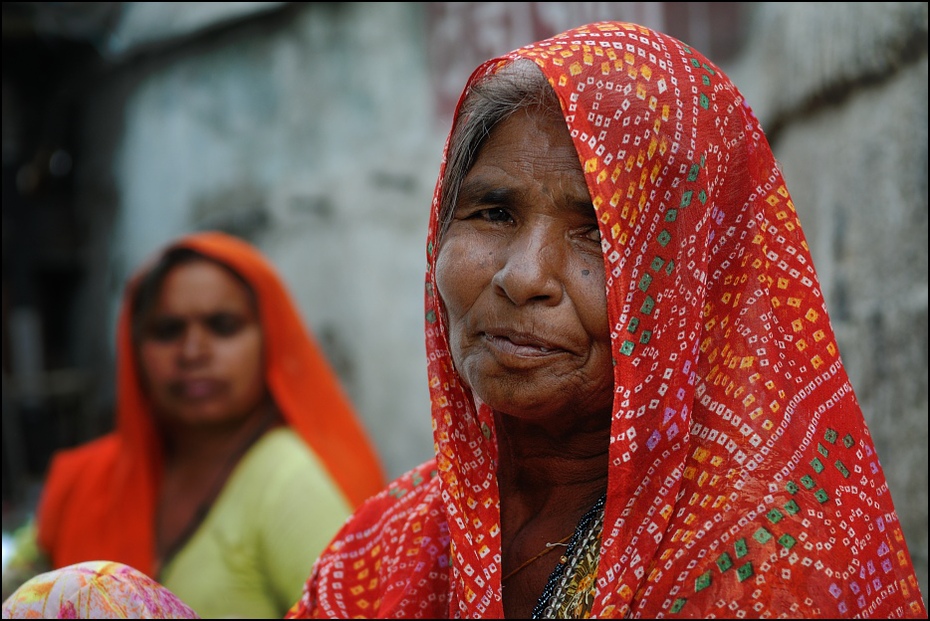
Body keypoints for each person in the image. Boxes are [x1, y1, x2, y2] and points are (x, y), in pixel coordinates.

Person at [3, 20, 927, 620]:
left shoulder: (779, 564)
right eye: (490, 212)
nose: (525, 276)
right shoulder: (393, 547)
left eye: (599, 233)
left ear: (691, 283)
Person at [1, 231, 386, 618]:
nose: (192, 351)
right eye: (168, 330)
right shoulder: (87, 481)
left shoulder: (288, 481)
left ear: (270, 339)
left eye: (222, 325)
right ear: (135, 348)